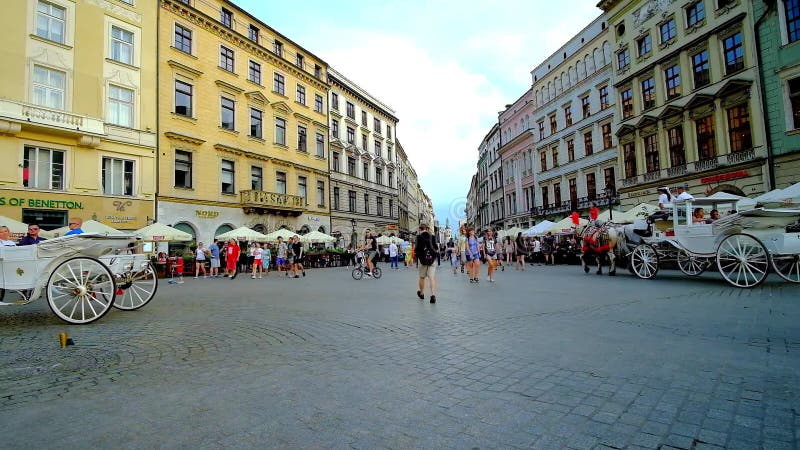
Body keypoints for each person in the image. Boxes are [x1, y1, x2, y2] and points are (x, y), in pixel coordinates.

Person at [414, 224, 438, 303]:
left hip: (422, 260)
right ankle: (432, 295)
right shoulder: (432, 237)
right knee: (431, 278)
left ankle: (421, 293)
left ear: (420, 229)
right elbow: (436, 248)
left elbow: (416, 250)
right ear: (427, 229)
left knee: (422, 277)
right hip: (432, 260)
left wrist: (419, 257)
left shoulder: (418, 237)